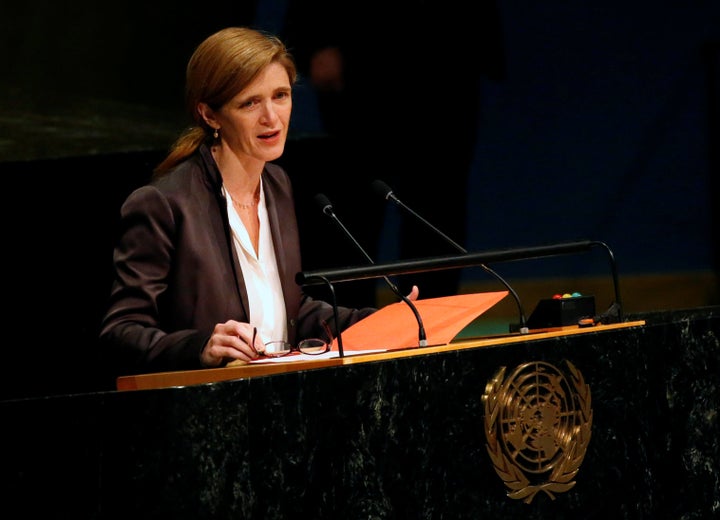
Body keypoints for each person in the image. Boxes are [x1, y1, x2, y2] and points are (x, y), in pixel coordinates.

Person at [99, 26, 418, 376]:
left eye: (280, 95)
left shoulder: (277, 185)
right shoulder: (163, 204)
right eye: (250, 102)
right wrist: (200, 347)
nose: (271, 117)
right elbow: (121, 333)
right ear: (209, 114)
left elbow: (287, 311)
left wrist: (379, 322)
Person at [282, 1, 505, 303]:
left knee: (438, 207)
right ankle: (346, 325)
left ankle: (431, 325)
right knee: (352, 205)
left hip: (449, 62)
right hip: (362, 65)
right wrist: (317, 42)